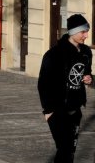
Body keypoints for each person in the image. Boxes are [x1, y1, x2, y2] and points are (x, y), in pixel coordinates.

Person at [38, 14, 93, 163]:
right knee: (64, 148)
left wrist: (88, 79)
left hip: (75, 109)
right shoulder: (54, 54)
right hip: (57, 110)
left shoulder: (86, 53)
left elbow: (86, 74)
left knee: (70, 151)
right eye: (83, 32)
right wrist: (48, 110)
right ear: (73, 32)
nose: (86, 35)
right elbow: (43, 84)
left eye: (87, 31)